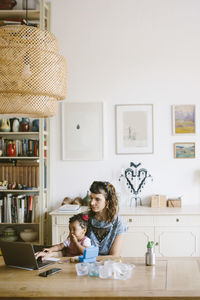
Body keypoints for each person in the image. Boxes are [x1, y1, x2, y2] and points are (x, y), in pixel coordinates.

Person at [87, 181, 128, 256]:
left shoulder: (119, 223)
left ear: (107, 202)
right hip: (85, 265)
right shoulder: (84, 218)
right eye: (91, 198)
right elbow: (70, 246)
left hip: (109, 265)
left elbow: (113, 256)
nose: (92, 203)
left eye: (97, 199)